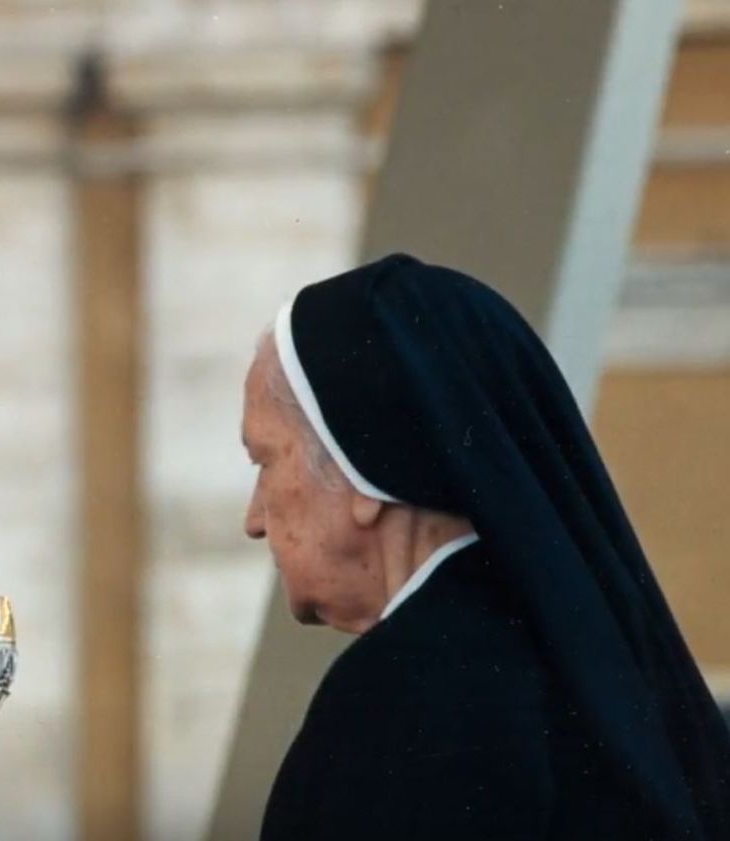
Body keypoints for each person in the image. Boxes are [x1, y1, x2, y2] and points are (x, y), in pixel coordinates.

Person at [242, 254, 730, 840]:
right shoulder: (598, 669)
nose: (254, 519)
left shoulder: (405, 696)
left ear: (358, 467)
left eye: (265, 460)